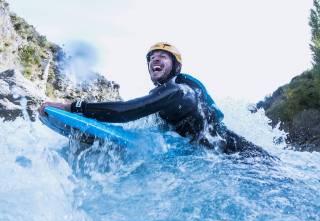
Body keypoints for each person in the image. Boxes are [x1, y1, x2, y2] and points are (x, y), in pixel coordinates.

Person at [40, 42, 272, 158]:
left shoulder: (180, 92)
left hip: (240, 155)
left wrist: (72, 106)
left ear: (176, 66)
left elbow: (124, 111)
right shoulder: (163, 96)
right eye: (151, 58)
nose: (155, 60)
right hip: (214, 155)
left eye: (162, 56)